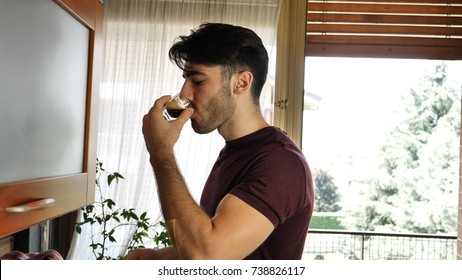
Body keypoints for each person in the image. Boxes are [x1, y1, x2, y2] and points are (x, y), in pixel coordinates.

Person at [125, 23, 314, 260]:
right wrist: (157, 257)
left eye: (198, 81)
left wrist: (161, 152)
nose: (184, 94)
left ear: (242, 83)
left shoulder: (281, 164)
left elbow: (208, 257)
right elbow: (228, 246)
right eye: (186, 79)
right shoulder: (235, 152)